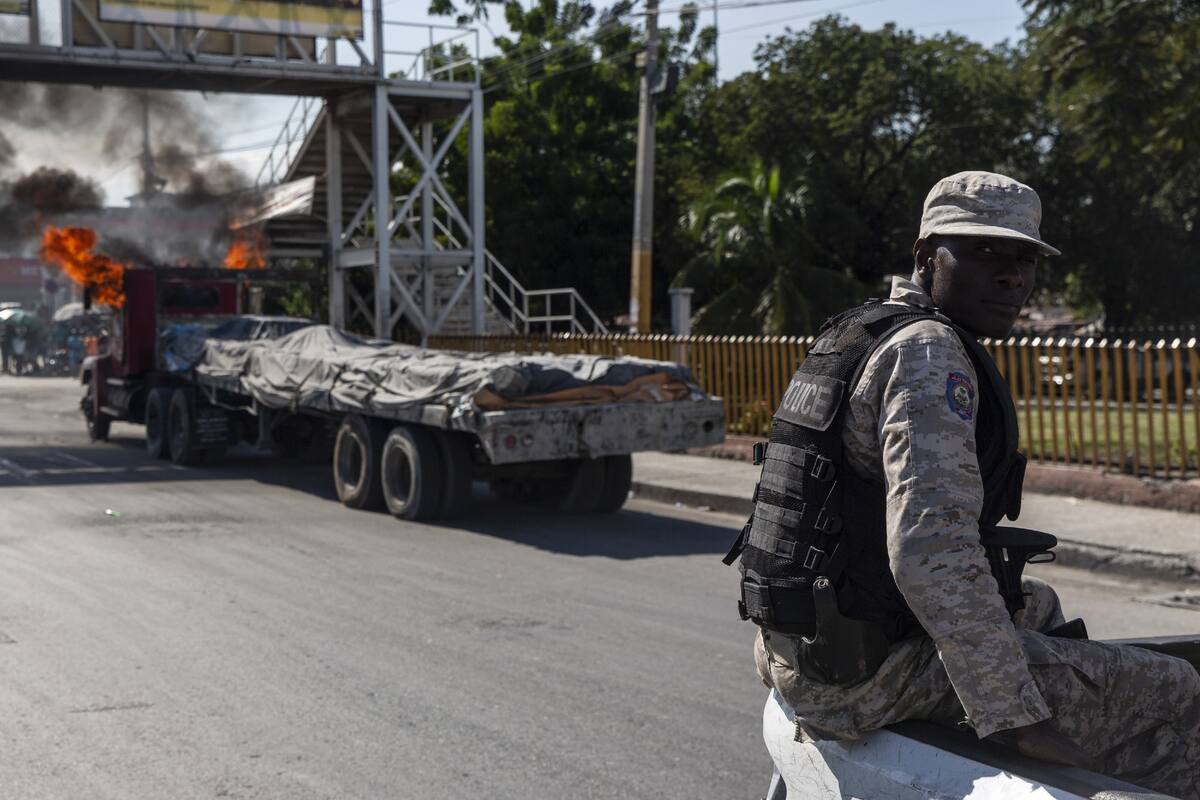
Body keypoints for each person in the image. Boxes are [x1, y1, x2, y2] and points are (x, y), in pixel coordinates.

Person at [730, 171, 1200, 797]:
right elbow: (931, 551)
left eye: (1025, 257)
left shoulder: (860, 331)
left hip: (804, 646)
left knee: (1039, 606)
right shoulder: (928, 353)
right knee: (1178, 690)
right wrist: (1018, 717)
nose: (1012, 275)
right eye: (983, 250)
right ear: (926, 256)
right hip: (865, 676)